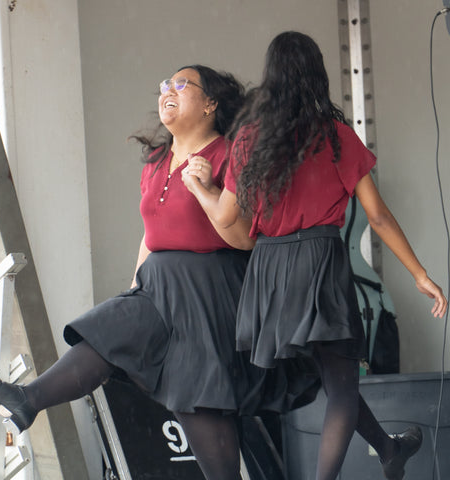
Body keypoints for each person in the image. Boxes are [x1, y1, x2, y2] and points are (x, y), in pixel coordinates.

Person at [181, 32, 448, 480]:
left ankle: (389, 449)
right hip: (319, 264)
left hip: (268, 271)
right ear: (317, 76)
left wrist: (201, 189)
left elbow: (226, 217)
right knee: (341, 388)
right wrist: (420, 274)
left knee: (331, 378)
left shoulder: (248, 139)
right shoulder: (337, 136)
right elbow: (377, 216)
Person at [0, 64, 258, 480]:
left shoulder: (229, 154)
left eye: (182, 84)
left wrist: (207, 190)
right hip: (158, 285)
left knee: (198, 407)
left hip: (207, 290)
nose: (168, 91)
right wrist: (134, 289)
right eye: (164, 84)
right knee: (107, 334)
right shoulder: (158, 160)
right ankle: (27, 399)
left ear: (210, 103)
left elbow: (245, 239)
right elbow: (152, 232)